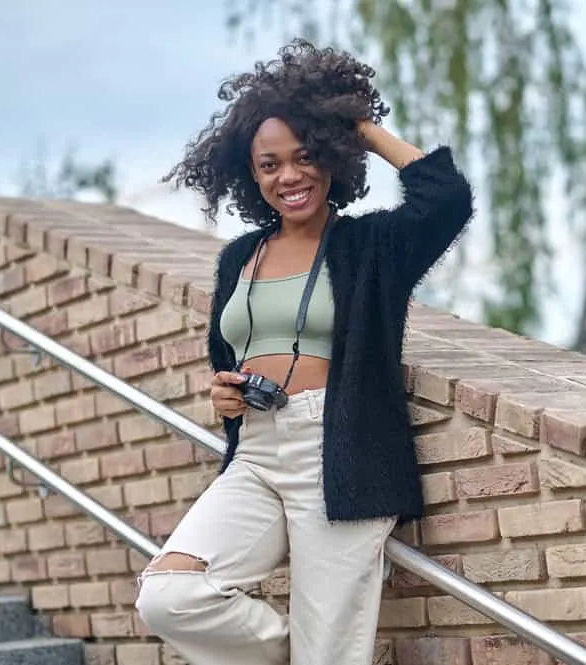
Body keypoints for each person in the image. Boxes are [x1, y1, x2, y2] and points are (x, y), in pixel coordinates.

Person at [135, 39, 473, 665]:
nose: (288, 176)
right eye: (269, 165)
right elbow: (230, 351)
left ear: (333, 158)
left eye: (306, 155)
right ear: (249, 173)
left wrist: (362, 128)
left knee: (331, 652)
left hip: (338, 453)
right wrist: (223, 393)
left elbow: (447, 199)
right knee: (170, 595)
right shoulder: (241, 256)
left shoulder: (371, 247)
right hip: (256, 453)